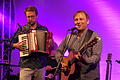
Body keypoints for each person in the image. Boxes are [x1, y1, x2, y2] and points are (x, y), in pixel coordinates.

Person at [55, 10, 102, 80]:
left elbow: (96, 57)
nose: (78, 22)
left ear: (87, 21)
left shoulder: (94, 37)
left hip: (89, 76)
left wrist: (84, 60)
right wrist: (62, 62)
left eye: (81, 19)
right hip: (72, 76)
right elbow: (58, 51)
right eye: (76, 20)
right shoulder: (69, 36)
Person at [12, 6, 56, 80]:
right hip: (26, 64)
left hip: (40, 65)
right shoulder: (21, 30)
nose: (30, 19)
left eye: (32, 16)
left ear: (36, 16)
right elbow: (11, 43)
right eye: (28, 17)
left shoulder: (43, 29)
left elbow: (51, 47)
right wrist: (15, 45)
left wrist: (50, 43)